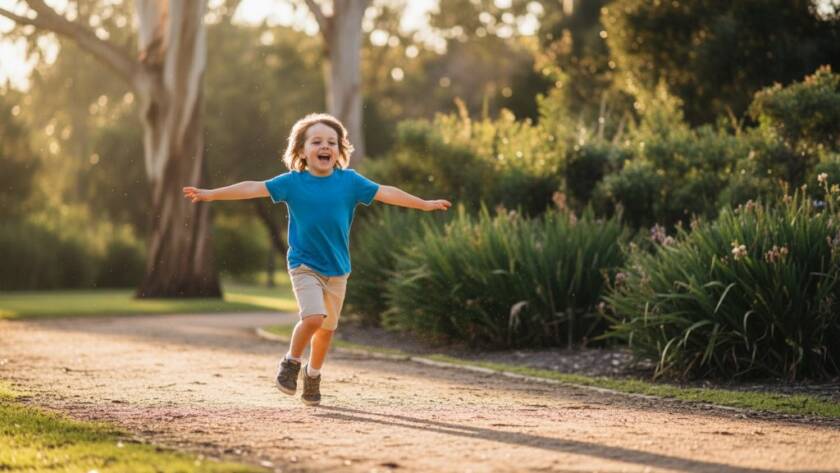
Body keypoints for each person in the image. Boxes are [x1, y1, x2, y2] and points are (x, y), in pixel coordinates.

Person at [182, 113, 451, 405]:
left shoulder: (350, 182)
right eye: (317, 141)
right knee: (313, 317)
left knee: (326, 331)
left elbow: (386, 192)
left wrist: (423, 204)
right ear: (301, 151)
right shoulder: (292, 183)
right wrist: (211, 195)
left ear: (339, 151)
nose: (325, 146)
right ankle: (291, 362)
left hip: (338, 269)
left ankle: (313, 374)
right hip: (304, 264)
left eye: (332, 142)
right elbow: (252, 187)